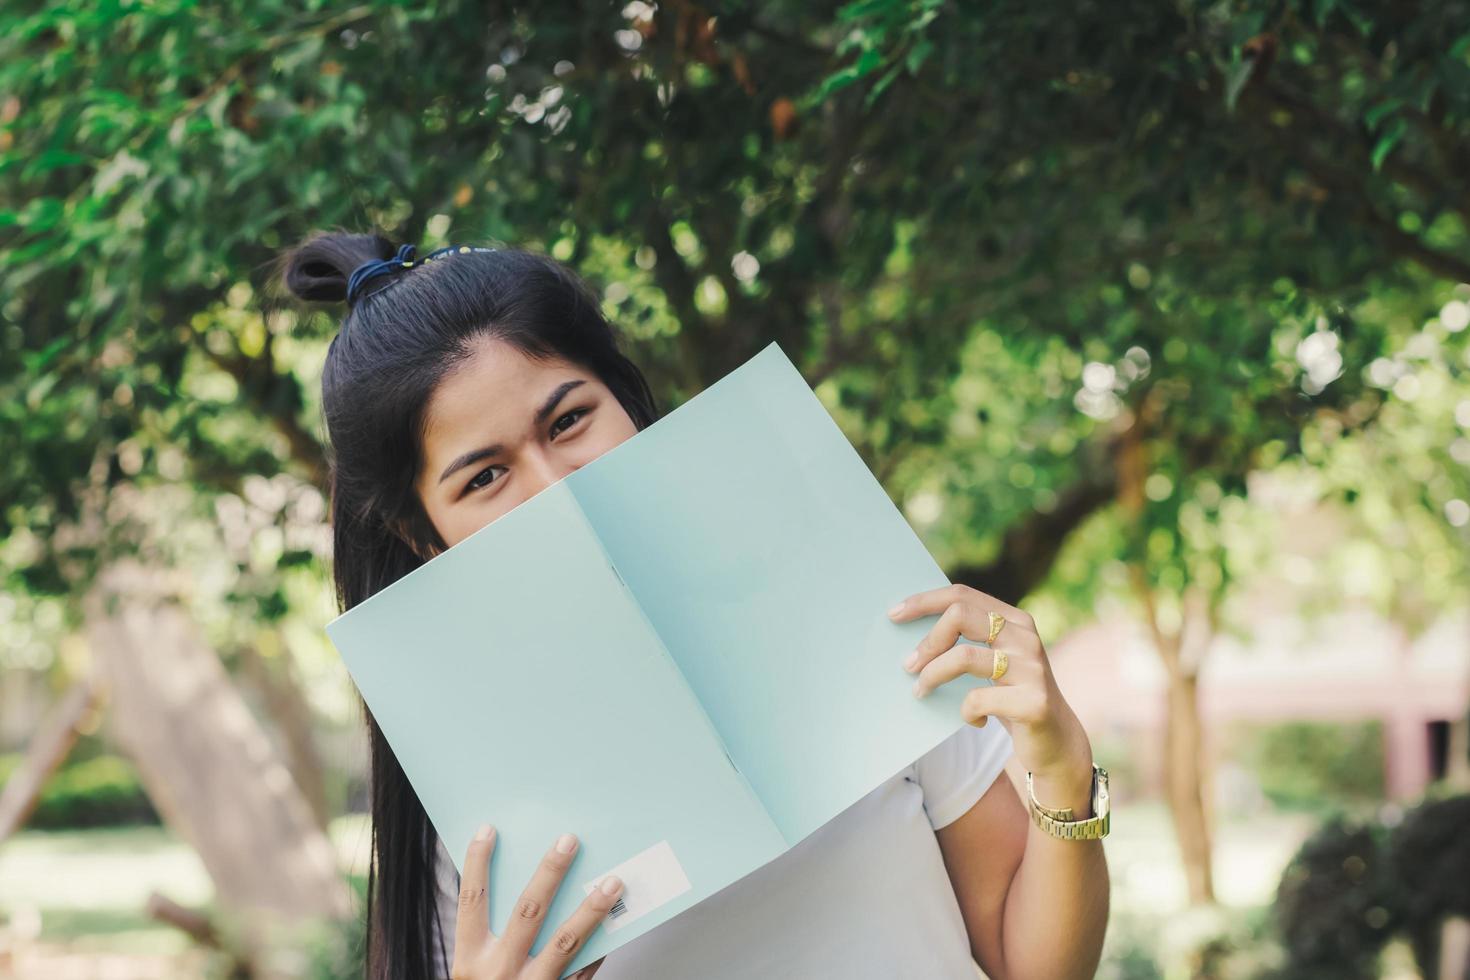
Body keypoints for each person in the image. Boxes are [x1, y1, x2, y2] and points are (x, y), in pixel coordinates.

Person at [275, 231, 1111, 979]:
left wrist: (1065, 773)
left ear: (628, 402)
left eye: (568, 420)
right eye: (485, 477)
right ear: (424, 535)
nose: (558, 489)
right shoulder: (466, 803)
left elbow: (1027, 966)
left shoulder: (851, 611)